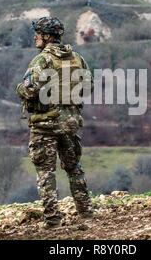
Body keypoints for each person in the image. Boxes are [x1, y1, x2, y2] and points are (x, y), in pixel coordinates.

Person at [16, 17, 94, 229]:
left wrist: (20, 89)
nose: (35, 36)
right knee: (74, 168)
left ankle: (53, 220)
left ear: (47, 37)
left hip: (45, 126)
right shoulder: (77, 58)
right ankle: (86, 212)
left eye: (38, 33)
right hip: (70, 124)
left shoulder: (41, 61)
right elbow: (88, 88)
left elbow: (29, 90)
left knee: (46, 173)